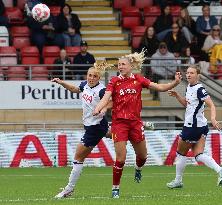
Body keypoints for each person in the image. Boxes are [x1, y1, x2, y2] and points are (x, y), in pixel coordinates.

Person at [93, 50, 182, 198]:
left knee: (143, 156)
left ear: (130, 65)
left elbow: (159, 87)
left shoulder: (139, 80)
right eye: (119, 65)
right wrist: (98, 108)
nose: (120, 67)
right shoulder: (114, 81)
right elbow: (106, 98)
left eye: (123, 64)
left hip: (135, 123)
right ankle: (115, 188)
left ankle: (138, 169)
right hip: (119, 123)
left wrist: (175, 83)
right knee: (120, 158)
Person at [53, 61, 114, 199]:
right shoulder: (85, 85)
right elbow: (75, 89)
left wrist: (103, 108)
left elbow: (111, 101)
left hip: (95, 127)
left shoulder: (101, 90)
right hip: (96, 125)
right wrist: (62, 82)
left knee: (78, 157)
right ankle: (137, 128)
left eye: (94, 76)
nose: (91, 78)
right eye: (89, 75)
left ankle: (69, 189)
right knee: (117, 135)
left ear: (99, 78)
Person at [166, 65, 222, 189]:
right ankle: (219, 170)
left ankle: (178, 181)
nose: (188, 75)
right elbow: (187, 104)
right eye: (187, 73)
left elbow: (212, 105)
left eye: (192, 73)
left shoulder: (199, 89)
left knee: (181, 152)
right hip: (201, 125)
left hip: (192, 126)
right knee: (198, 154)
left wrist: (214, 118)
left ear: (198, 75)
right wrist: (177, 95)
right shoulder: (189, 87)